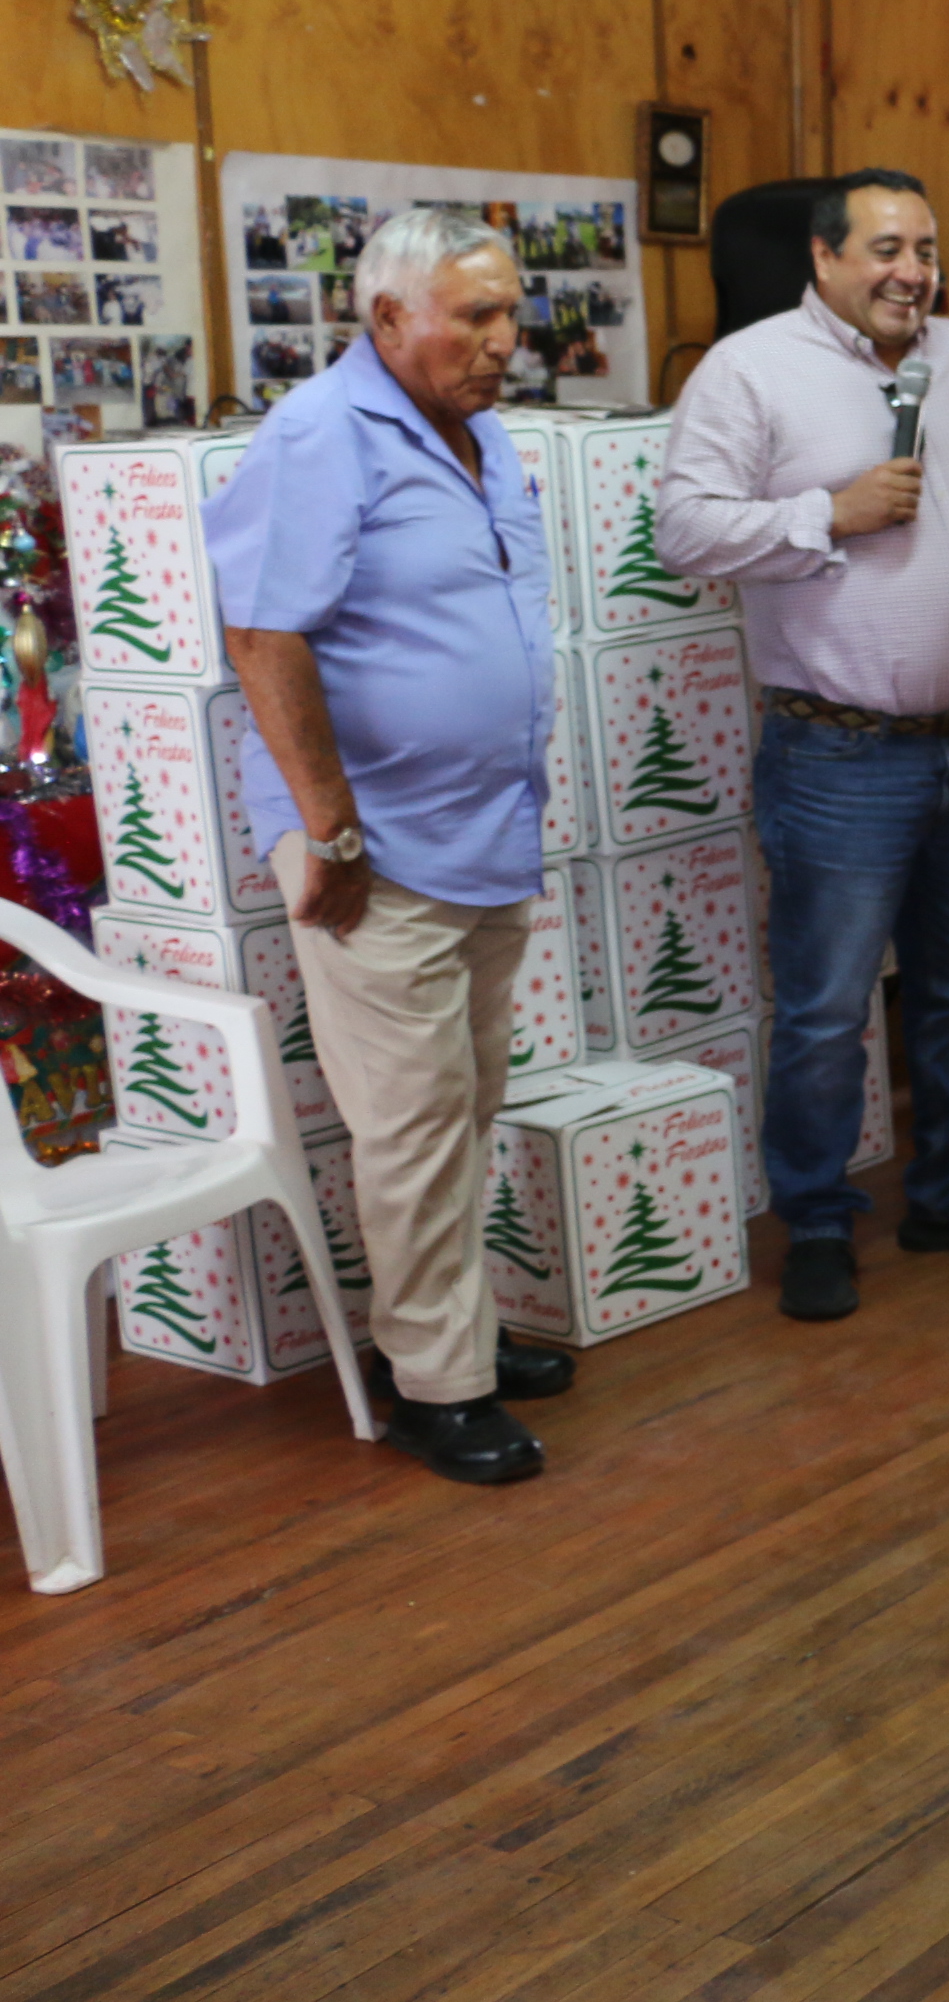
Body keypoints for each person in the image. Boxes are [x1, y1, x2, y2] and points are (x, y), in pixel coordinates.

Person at [653, 168, 949, 1325]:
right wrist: (822, 514)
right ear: (825, 259)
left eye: (928, 248)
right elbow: (683, 527)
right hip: (839, 757)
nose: (913, 271)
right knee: (832, 1006)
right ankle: (820, 1221)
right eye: (887, 248)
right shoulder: (748, 368)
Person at [205, 206, 570, 1485]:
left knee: (461, 1109)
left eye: (509, 313)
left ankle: (447, 1332)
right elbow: (264, 638)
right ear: (386, 319)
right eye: (473, 316)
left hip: (483, 836)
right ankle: (436, 1383)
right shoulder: (321, 436)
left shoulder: (486, 439)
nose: (502, 339)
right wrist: (331, 829)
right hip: (377, 850)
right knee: (410, 1126)